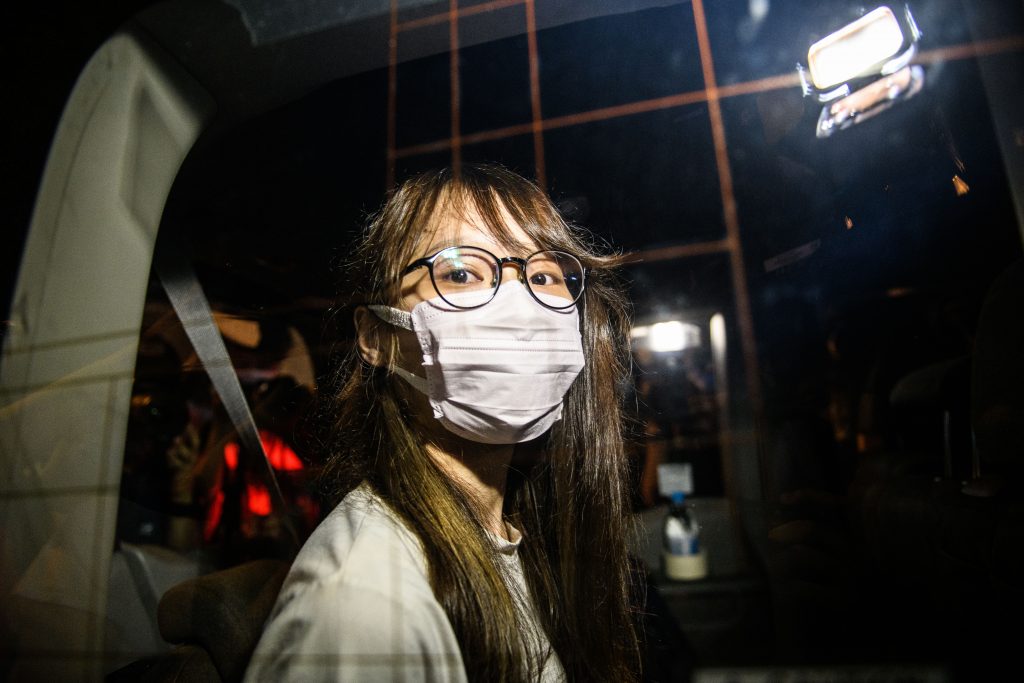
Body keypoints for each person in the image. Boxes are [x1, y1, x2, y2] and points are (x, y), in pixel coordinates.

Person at [244, 164, 641, 682]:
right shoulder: (363, 607)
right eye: (459, 272)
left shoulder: (519, 538)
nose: (520, 308)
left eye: (543, 276)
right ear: (375, 337)